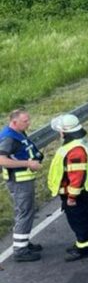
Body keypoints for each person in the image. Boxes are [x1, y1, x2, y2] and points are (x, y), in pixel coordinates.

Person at [48, 114, 88, 261]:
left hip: (75, 193)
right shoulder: (76, 144)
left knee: (78, 219)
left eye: (60, 131)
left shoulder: (75, 150)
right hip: (75, 191)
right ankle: (81, 244)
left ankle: (83, 249)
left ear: (65, 131)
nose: (59, 133)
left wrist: (71, 197)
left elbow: (76, 177)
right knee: (77, 218)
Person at [0, 109, 44, 262]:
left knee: (27, 211)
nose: (29, 123)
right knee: (24, 212)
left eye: (28, 120)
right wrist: (28, 163)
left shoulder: (16, 132)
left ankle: (23, 242)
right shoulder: (9, 138)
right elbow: (1, 160)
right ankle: (20, 250)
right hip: (19, 181)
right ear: (14, 122)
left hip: (23, 180)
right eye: (25, 121)